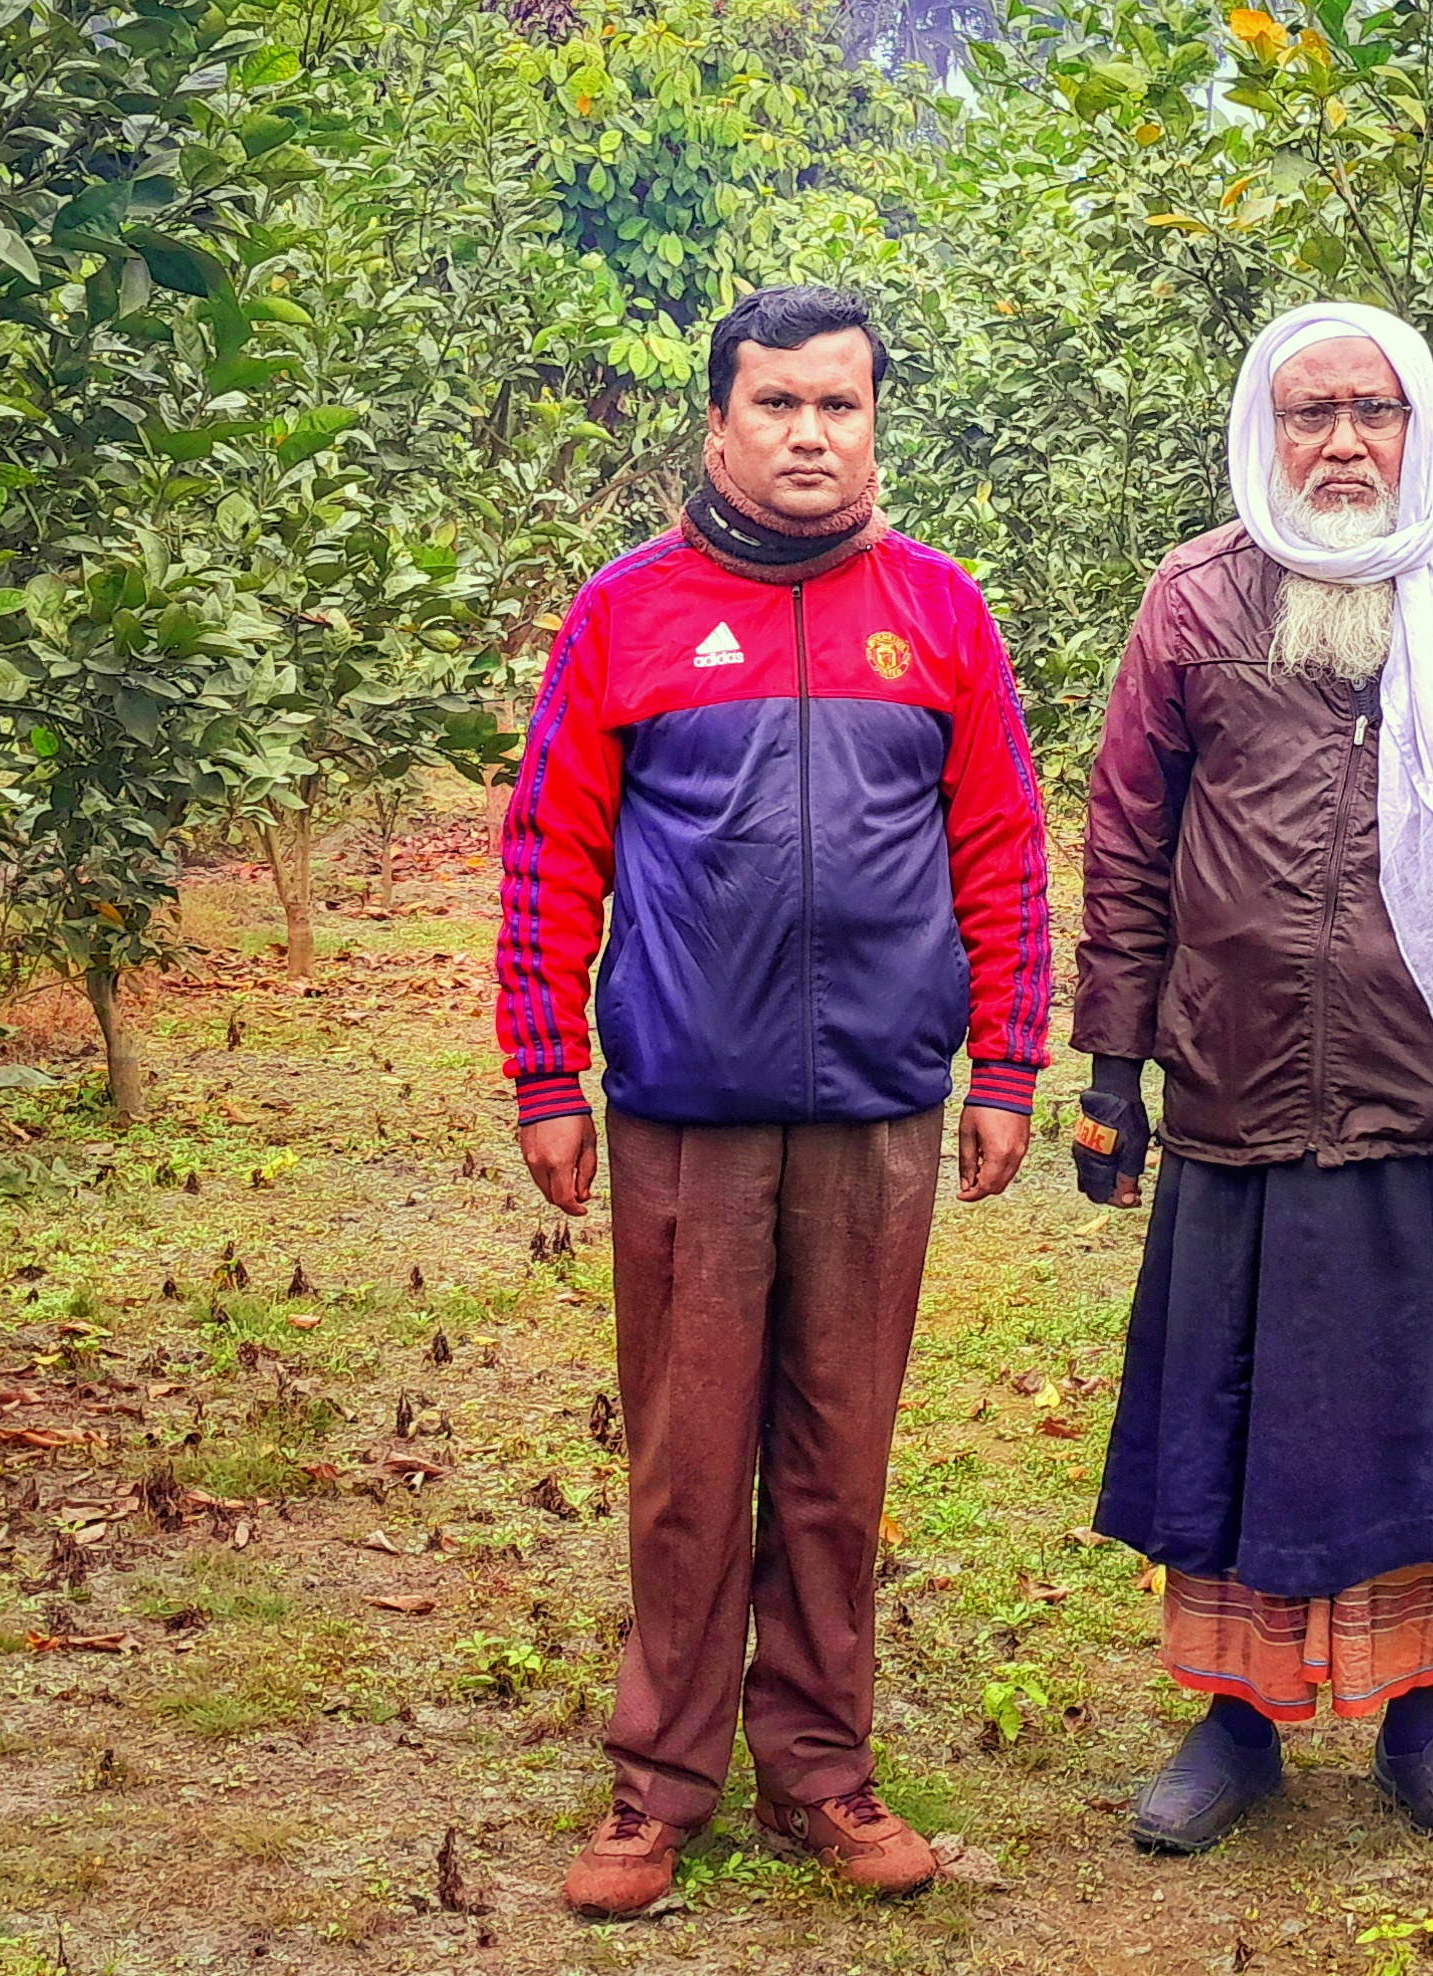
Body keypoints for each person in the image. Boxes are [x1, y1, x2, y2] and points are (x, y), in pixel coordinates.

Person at [497, 285, 1052, 1917]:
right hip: (687, 1103)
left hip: (881, 1105)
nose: (811, 435)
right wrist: (549, 1073)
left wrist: (1006, 1062)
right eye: (778, 406)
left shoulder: (939, 614)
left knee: (836, 1454)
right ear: (719, 421)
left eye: (841, 407)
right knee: (685, 1455)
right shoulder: (629, 615)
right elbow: (552, 852)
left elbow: (1004, 848)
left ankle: (820, 1769)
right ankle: (658, 1784)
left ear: (875, 423)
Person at [1070, 302, 1433, 1862]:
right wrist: (1111, 1068)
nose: (1338, 445)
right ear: (1264, 425)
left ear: (1417, 424)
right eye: (1308, 413)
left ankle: (1419, 1724)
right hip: (1239, 1090)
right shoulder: (1196, 598)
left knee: (1423, 1418)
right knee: (1233, 1413)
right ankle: (1237, 1724)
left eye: (1369, 413)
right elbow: (1125, 849)